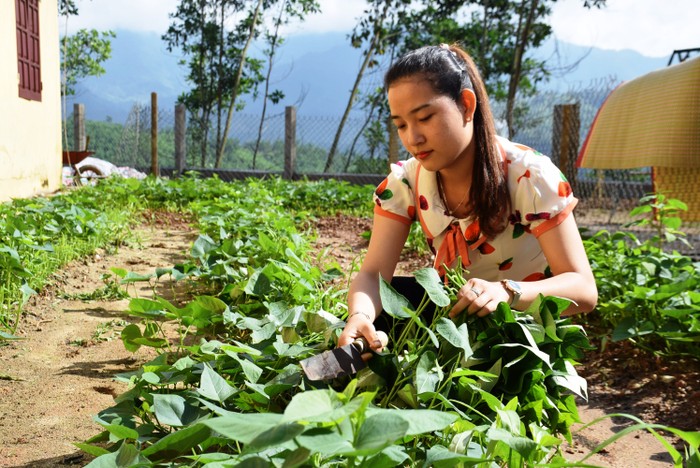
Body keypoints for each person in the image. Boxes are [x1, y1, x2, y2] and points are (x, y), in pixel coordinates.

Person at [338, 44, 598, 352]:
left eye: (424, 118)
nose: (413, 138)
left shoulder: (530, 177)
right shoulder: (406, 182)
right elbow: (372, 274)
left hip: (520, 331)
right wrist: (360, 315)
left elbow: (583, 289)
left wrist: (506, 292)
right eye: (401, 125)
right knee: (384, 307)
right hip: (453, 322)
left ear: (466, 105)